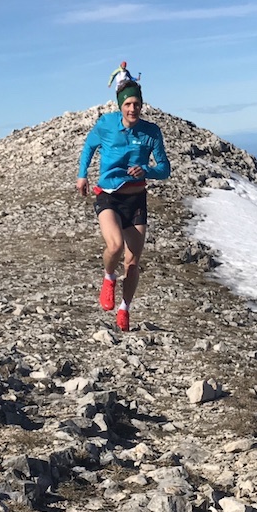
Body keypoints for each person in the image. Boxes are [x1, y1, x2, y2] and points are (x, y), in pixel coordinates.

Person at [76, 80, 170, 331]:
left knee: (132, 262)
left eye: (137, 104)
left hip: (136, 199)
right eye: (128, 104)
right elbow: (89, 145)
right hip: (108, 194)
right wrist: (82, 174)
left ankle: (124, 308)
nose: (133, 109)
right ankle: (109, 278)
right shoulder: (106, 124)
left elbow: (165, 169)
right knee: (115, 244)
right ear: (121, 106)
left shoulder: (151, 132)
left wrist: (147, 170)